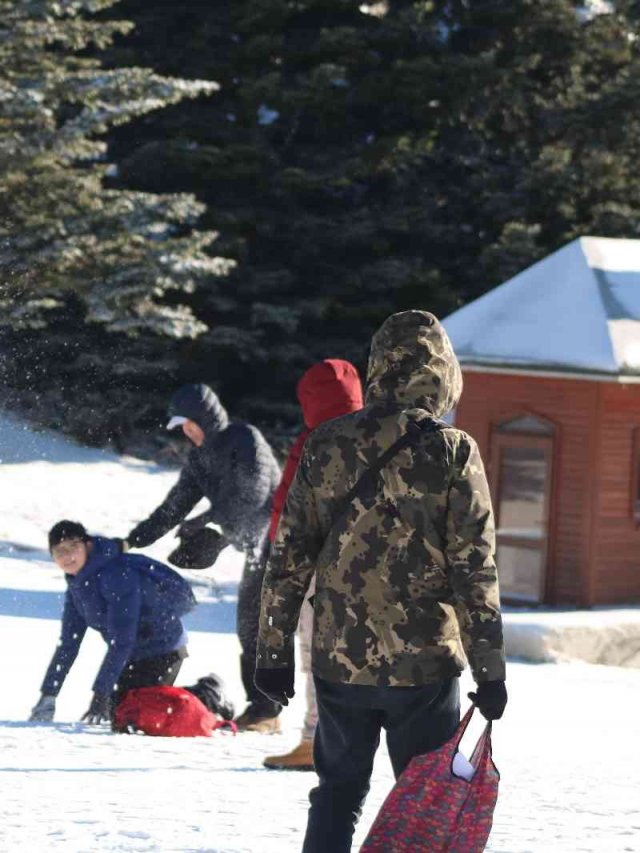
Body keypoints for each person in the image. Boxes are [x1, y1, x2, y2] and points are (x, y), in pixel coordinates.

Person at [256, 311, 507, 853]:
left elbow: (289, 556)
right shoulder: (453, 450)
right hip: (424, 664)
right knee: (420, 803)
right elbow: (474, 569)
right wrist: (490, 671)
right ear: (442, 372)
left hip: (340, 658)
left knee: (336, 794)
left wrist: (272, 654)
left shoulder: (327, 442)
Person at [124, 384, 282, 732]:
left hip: (286, 539)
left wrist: (208, 523)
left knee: (266, 627)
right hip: (256, 547)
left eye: (188, 423)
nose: (185, 431)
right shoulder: (200, 458)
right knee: (250, 627)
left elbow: (251, 494)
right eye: (181, 425)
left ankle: (270, 710)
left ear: (205, 418)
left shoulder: (244, 439)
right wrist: (132, 540)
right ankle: (263, 708)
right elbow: (175, 505)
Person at [262, 360, 365, 772]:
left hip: (318, 568)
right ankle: (354, 740)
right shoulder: (378, 437)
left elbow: (286, 507)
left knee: (316, 657)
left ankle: (314, 741)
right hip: (369, 568)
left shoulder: (312, 442)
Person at [30, 521, 196, 727]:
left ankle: (207, 694)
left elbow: (122, 639)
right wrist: (49, 695)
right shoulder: (77, 587)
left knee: (141, 715)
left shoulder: (116, 574)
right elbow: (69, 644)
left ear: (88, 545)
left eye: (73, 546)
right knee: (120, 713)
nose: (67, 556)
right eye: (59, 551)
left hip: (163, 648)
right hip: (132, 654)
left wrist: (101, 693)